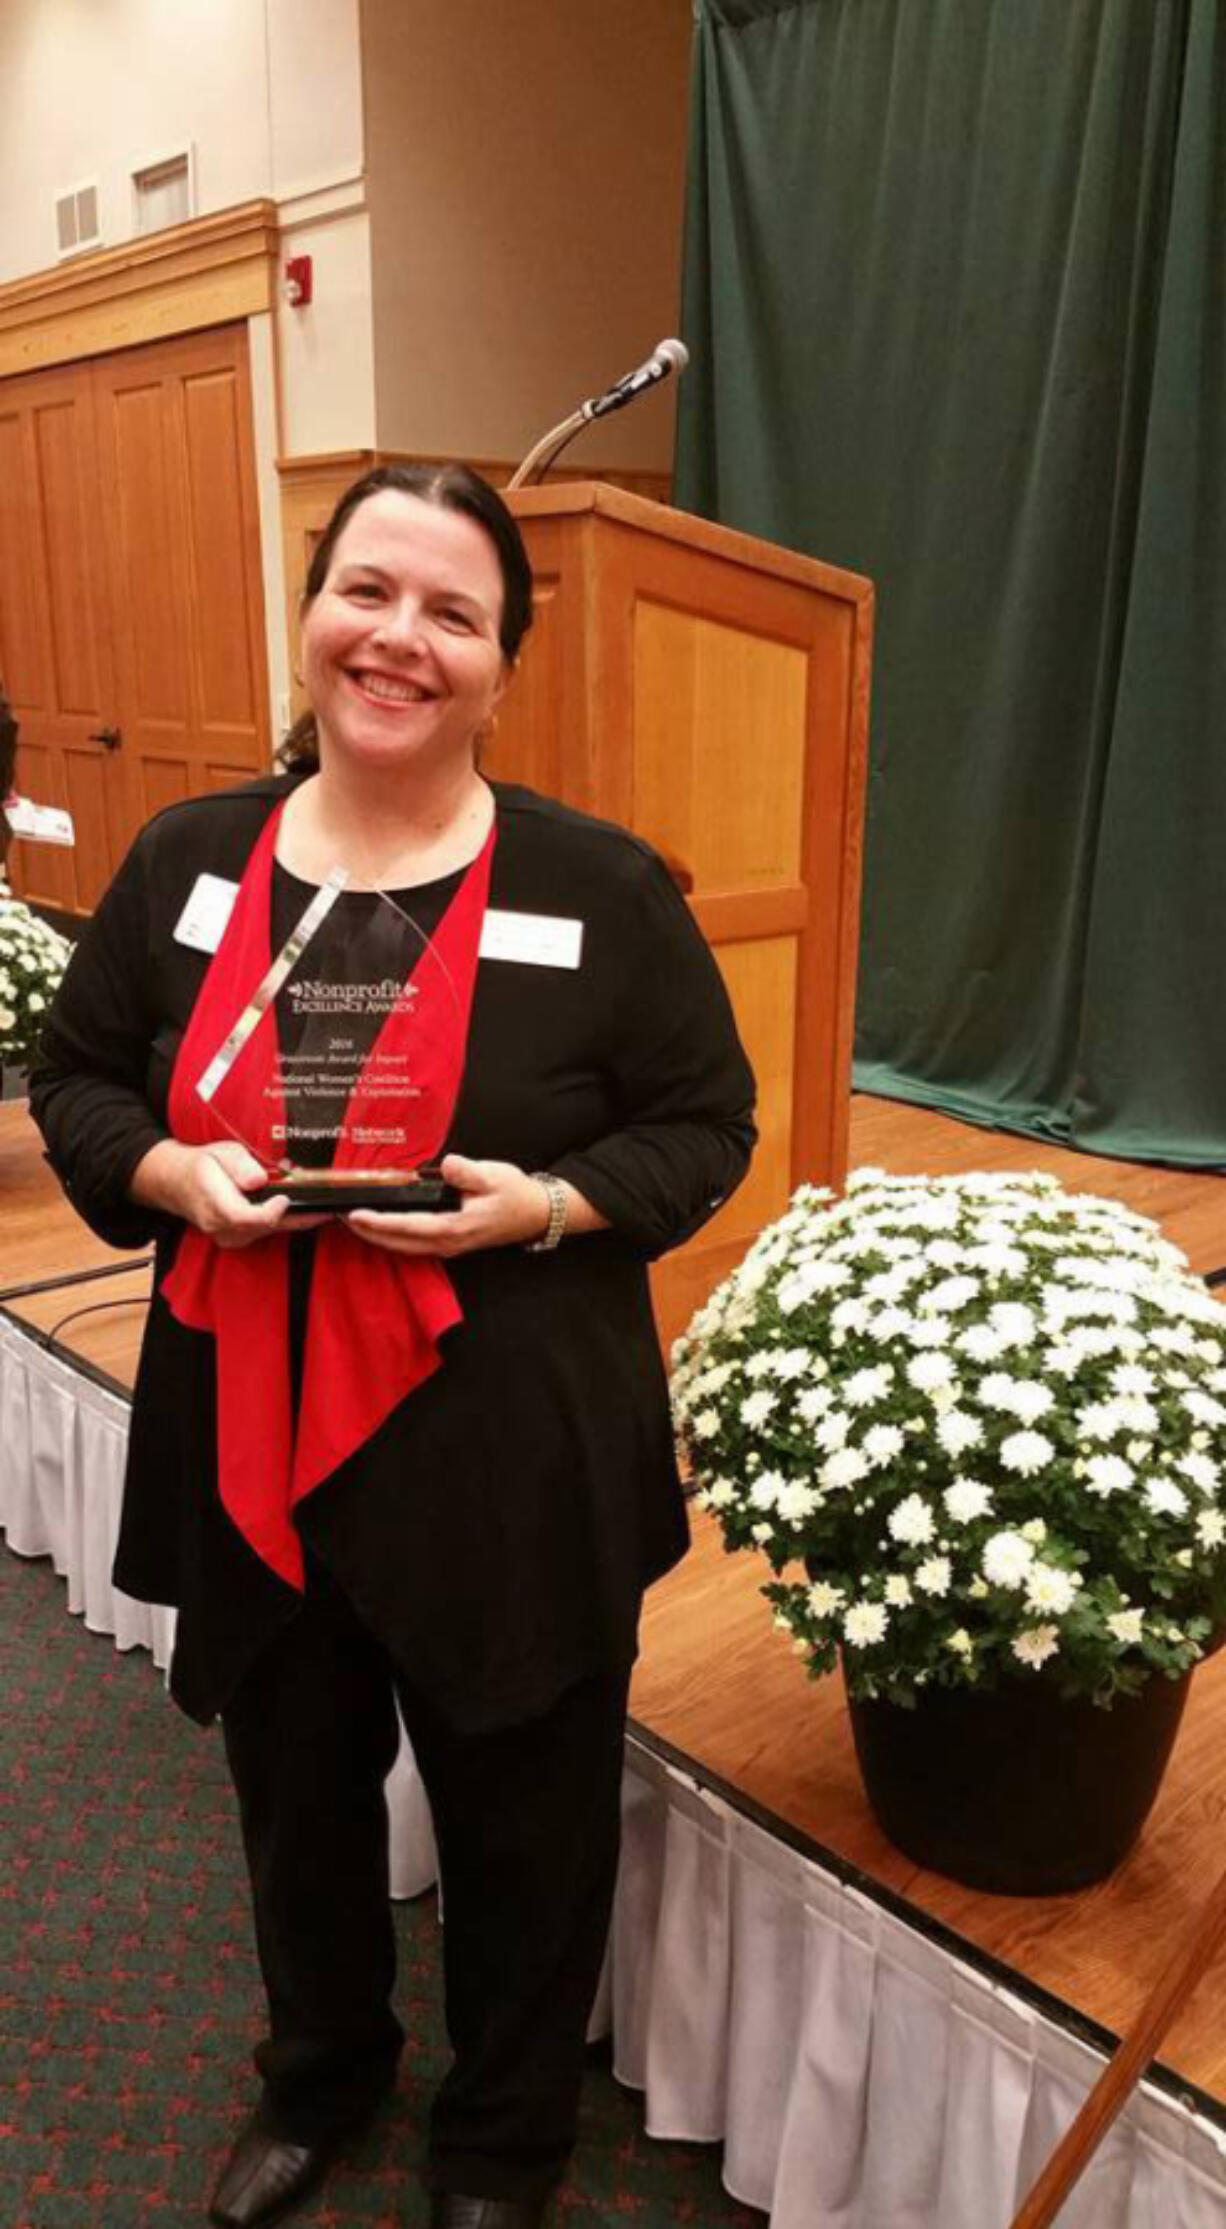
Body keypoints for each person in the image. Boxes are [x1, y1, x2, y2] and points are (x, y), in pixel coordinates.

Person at [29, 464, 756, 2229]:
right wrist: (164, 1169)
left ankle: (501, 2139)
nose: (399, 640)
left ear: (504, 660)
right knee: (293, 1793)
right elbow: (77, 1071)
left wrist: (548, 1208)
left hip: (506, 1432)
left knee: (527, 1813)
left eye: (452, 612)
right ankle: (321, 2070)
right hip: (254, 1424)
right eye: (368, 591)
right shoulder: (189, 859)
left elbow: (703, 1125)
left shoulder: (598, 886)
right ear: (309, 614)